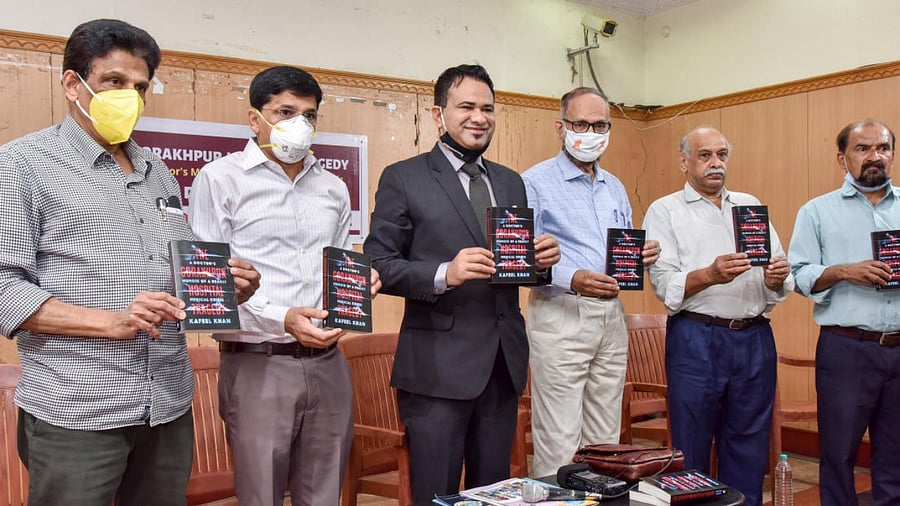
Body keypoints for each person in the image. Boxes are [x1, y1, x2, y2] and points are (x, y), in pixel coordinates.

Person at [0, 19, 260, 506]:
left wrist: (224, 287)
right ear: (73, 84)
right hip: (78, 409)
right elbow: (3, 285)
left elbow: (175, 270)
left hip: (164, 404)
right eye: (114, 82)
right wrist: (107, 321)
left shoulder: (156, 170)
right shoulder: (21, 164)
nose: (130, 97)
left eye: (140, 87)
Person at [363, 64, 560, 504]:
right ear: (438, 114)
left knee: (493, 492)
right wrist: (442, 274)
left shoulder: (510, 181)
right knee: (437, 493)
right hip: (436, 369)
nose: (479, 117)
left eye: (488, 108)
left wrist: (540, 264)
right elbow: (377, 263)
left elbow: (511, 265)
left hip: (502, 364)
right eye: (466, 106)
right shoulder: (404, 177)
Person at [189, 66, 380, 506]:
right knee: (261, 494)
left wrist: (356, 287)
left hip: (328, 361)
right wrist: (283, 318)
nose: (299, 125)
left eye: (309, 115)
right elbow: (208, 289)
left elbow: (337, 265)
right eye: (285, 112)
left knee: (325, 492)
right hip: (258, 362)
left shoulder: (332, 187)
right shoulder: (220, 180)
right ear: (255, 119)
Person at [643, 126, 793, 506]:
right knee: (691, 443)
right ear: (684, 162)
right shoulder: (665, 210)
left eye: (722, 155)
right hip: (697, 337)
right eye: (705, 155)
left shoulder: (749, 205)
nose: (715, 163)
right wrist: (710, 274)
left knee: (749, 443)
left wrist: (777, 277)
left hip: (754, 337)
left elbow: (778, 275)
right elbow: (664, 284)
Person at [520, 87, 660, 477]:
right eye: (580, 123)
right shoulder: (533, 182)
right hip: (561, 313)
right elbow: (522, 260)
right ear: (560, 127)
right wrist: (572, 278)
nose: (590, 132)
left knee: (606, 439)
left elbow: (621, 250)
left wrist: (641, 256)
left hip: (611, 316)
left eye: (599, 125)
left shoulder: (614, 186)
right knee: (561, 439)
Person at [789, 119, 899, 506]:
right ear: (842, 158)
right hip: (847, 349)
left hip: (899, 348)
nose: (874, 157)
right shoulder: (816, 211)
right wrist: (843, 271)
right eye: (862, 148)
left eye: (882, 148)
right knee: (838, 454)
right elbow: (798, 275)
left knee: (896, 455)